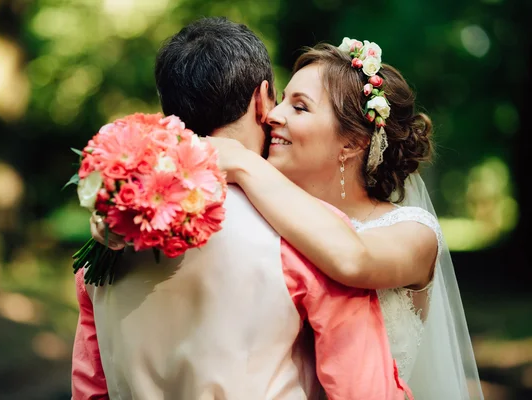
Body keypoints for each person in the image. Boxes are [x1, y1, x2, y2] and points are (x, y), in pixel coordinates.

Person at [73, 18, 409, 399]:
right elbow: (365, 391)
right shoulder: (309, 236)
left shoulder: (109, 241)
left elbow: (90, 391)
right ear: (262, 99)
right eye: (281, 100)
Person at [202, 41, 485, 399]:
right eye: (283, 98)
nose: (273, 114)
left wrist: (245, 163)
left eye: (300, 107)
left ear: (351, 142)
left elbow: (354, 260)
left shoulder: (415, 232)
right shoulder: (259, 215)